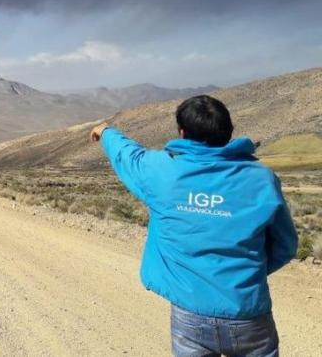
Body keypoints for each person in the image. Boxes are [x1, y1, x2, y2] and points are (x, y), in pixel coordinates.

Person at [90, 95, 298, 357]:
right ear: (229, 131)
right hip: (248, 313)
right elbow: (285, 245)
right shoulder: (261, 179)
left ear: (182, 132)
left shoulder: (161, 172)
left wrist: (105, 131)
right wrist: (246, 273)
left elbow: (128, 155)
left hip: (189, 314)